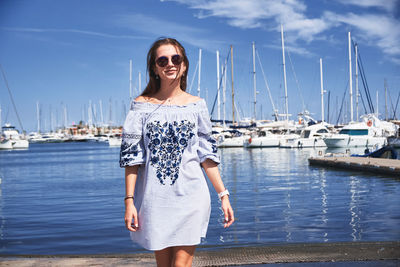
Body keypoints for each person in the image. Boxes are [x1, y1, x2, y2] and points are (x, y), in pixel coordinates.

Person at [120, 37, 234, 267]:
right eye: (162, 60)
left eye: (175, 58)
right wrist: (129, 202)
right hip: (155, 199)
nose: (170, 64)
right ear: (155, 68)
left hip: (191, 196)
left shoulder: (197, 105)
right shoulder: (141, 105)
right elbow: (132, 157)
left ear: (184, 64)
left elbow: (207, 155)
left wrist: (224, 195)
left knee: (181, 265)